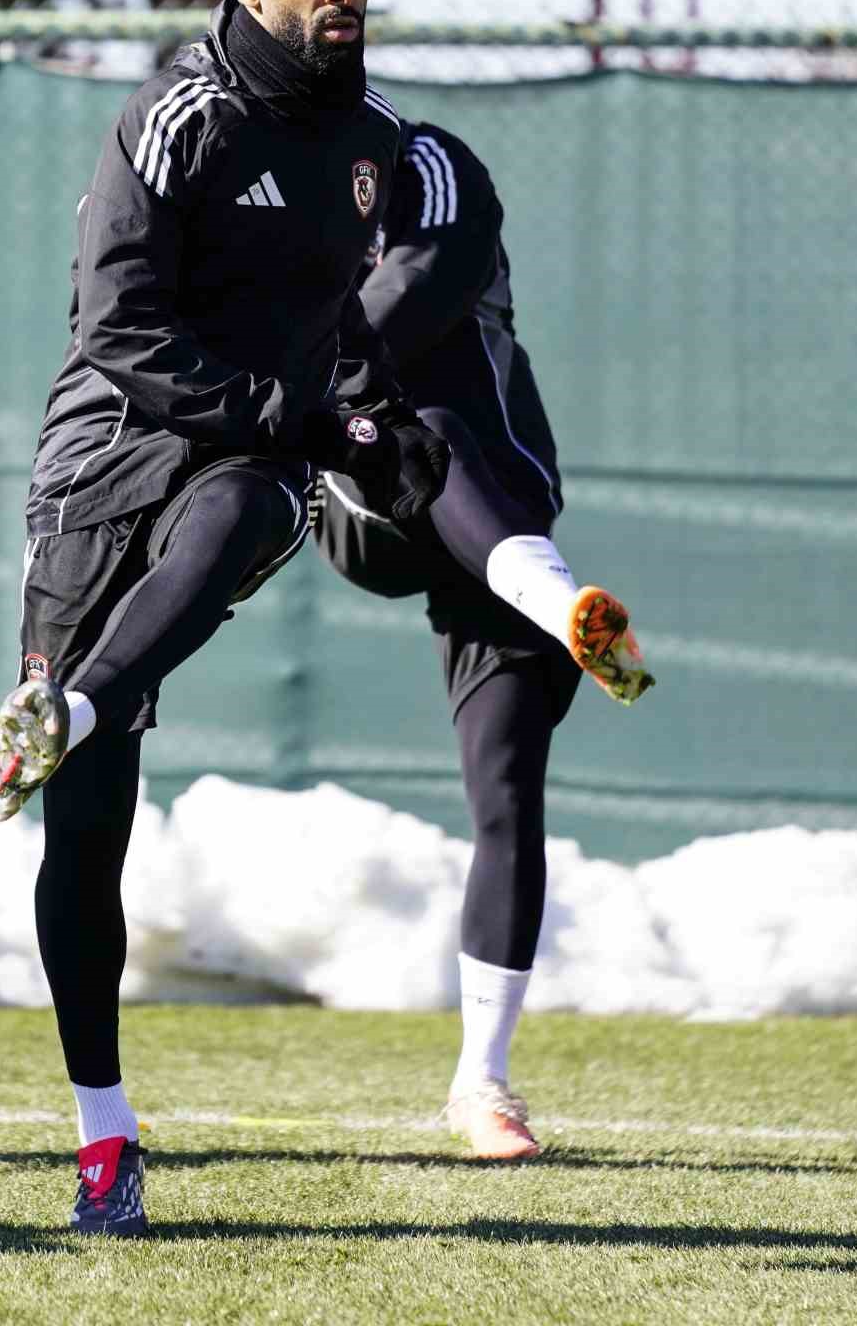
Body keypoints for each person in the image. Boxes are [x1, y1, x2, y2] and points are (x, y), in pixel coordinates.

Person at [0, 0, 450, 1236]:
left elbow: (356, 325)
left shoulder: (380, 143)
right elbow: (116, 328)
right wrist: (293, 414)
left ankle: (71, 706)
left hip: (239, 463)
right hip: (105, 466)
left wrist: (379, 425)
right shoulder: (179, 119)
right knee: (90, 828)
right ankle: (103, 1137)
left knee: (256, 507)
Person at [312, 118, 654, 1161]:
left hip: (492, 517)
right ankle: (76, 690)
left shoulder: (430, 164)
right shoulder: (242, 183)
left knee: (505, 792)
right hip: (358, 497)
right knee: (412, 439)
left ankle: (482, 1086)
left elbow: (422, 279)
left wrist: (289, 349)